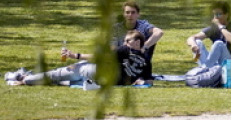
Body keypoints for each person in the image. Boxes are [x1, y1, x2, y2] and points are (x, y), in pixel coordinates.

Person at [9, 30, 152, 87]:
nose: (125, 43)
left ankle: (22, 78)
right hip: (102, 80)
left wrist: (74, 55)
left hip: (92, 71)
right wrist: (137, 81)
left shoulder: (125, 49)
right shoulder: (146, 61)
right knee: (64, 80)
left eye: (128, 41)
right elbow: (148, 82)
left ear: (137, 42)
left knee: (56, 74)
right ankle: (27, 76)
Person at [186, 1, 231, 67]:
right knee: (198, 42)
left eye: (219, 14)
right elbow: (191, 38)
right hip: (216, 64)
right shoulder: (213, 29)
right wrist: (193, 45)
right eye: (214, 14)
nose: (216, 17)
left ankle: (204, 69)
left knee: (218, 44)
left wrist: (220, 26)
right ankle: (205, 68)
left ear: (226, 15)